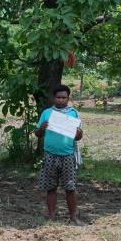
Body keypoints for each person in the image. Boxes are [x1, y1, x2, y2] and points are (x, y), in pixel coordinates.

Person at [35, 84, 84, 225]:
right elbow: (38, 134)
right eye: (58, 97)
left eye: (64, 97)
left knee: (70, 187)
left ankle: (73, 217)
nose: (61, 100)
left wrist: (79, 133)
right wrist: (41, 128)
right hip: (50, 154)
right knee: (51, 187)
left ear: (68, 98)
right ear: (54, 98)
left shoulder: (73, 113)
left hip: (68, 155)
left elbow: (78, 137)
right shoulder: (47, 113)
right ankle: (51, 216)